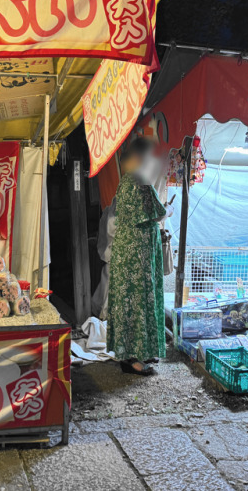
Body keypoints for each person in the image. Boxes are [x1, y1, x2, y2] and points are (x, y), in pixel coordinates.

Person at [106, 137, 167, 376]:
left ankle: (139, 351)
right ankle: (131, 359)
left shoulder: (126, 182)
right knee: (137, 301)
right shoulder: (138, 181)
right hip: (136, 255)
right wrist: (168, 209)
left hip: (131, 252)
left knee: (133, 301)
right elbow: (158, 213)